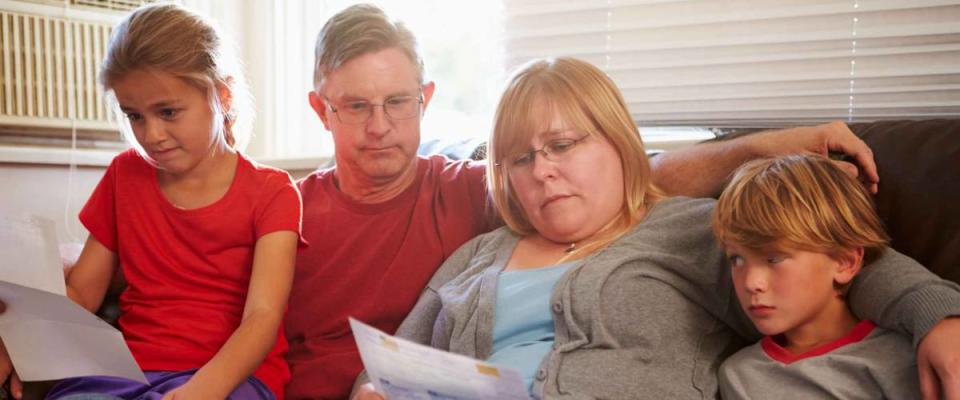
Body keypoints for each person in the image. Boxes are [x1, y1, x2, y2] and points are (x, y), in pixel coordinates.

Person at [288, 4, 960, 400]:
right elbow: (393, 369)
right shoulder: (473, 257)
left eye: (564, 145)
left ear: (617, 143)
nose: (544, 172)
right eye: (522, 158)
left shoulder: (694, 233)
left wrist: (938, 317)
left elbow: (836, 268)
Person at [0, 4, 302, 399]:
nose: (151, 134)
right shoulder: (124, 175)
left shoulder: (274, 192)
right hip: (125, 369)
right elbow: (83, 294)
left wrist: (203, 390)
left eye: (168, 111)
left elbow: (262, 317)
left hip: (230, 378)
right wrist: (18, 342)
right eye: (134, 116)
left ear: (222, 94)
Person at [713, 155, 919, 399]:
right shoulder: (739, 375)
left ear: (845, 262)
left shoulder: (900, 360)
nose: (751, 283)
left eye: (774, 259)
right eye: (737, 259)